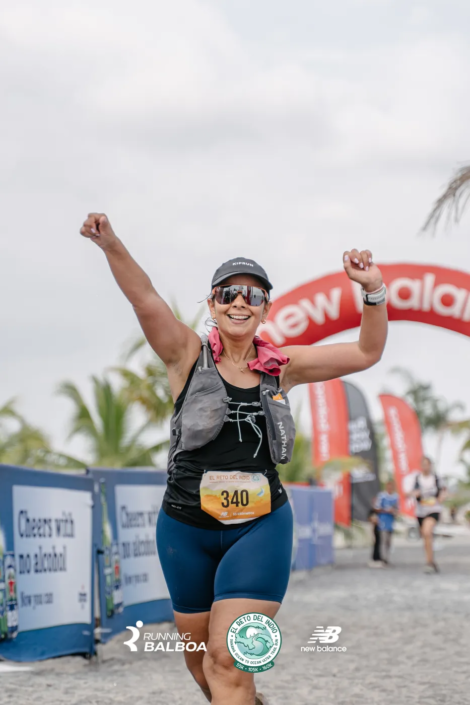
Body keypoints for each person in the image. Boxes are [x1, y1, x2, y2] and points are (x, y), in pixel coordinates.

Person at [79, 213, 388, 705]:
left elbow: (367, 352)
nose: (240, 302)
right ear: (212, 304)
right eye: (228, 293)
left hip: (259, 528)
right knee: (202, 665)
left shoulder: (283, 367)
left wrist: (372, 292)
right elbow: (145, 298)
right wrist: (110, 244)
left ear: (266, 308)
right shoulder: (185, 355)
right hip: (186, 528)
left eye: (252, 295)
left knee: (226, 658)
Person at [409, 456, 447, 574]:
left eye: (427, 464)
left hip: (433, 509)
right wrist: (415, 494)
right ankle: (431, 560)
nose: (425, 466)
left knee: (427, 532)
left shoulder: (436, 478)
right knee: (426, 537)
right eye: (423, 464)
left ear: (430, 465)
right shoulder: (417, 478)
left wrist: (441, 497)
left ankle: (429, 563)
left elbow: (444, 490)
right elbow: (410, 492)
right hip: (421, 511)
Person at [374, 480, 399, 565]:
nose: (390, 487)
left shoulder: (395, 497)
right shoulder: (382, 496)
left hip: (391, 522)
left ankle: (387, 557)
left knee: (389, 541)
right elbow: (376, 508)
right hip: (383, 521)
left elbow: (398, 510)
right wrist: (386, 510)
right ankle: (383, 558)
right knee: (383, 540)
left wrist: (394, 512)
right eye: (389, 486)